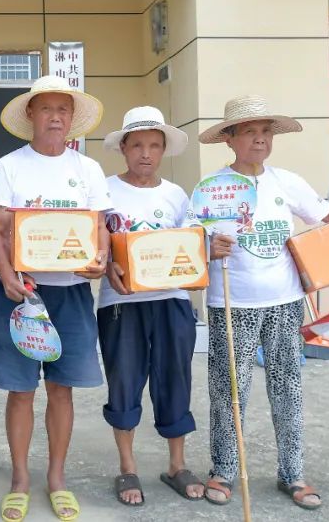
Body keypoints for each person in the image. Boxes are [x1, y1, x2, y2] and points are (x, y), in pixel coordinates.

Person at [198, 95, 329, 511]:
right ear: (229, 139)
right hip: (231, 303)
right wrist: (208, 247)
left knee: (288, 387)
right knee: (230, 390)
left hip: (285, 301)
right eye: (249, 131)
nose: (260, 139)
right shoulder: (212, 189)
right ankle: (225, 470)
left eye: (266, 132)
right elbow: (186, 243)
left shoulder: (287, 182)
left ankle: (293, 473)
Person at [0, 75, 111, 522]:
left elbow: (99, 230)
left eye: (63, 109)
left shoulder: (87, 170)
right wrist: (6, 277)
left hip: (72, 294)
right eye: (46, 109)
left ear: (72, 119)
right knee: (20, 392)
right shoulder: (10, 166)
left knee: (62, 391)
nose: (55, 116)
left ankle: (57, 478)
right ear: (32, 115)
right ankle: (20, 478)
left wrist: (99, 258)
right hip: (21, 297)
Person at [98, 106, 205, 506]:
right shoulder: (105, 192)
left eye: (154, 145)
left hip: (173, 301)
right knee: (124, 381)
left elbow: (191, 246)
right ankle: (128, 468)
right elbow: (97, 245)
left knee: (175, 378)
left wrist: (211, 247)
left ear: (163, 150)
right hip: (121, 304)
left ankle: (177, 465)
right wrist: (107, 265)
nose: (146, 153)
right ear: (123, 148)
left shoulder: (176, 195)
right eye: (138, 144)